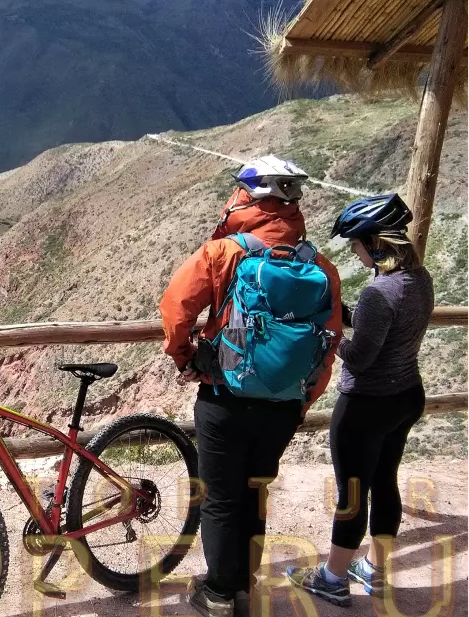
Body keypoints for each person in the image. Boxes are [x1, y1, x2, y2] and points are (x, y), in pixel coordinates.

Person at [160, 155, 343, 617]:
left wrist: (187, 360)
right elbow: (329, 342)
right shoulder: (319, 266)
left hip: (224, 398)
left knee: (221, 498)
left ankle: (219, 593)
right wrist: (302, 400)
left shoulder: (223, 253)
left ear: (246, 199)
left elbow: (175, 308)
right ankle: (244, 583)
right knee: (254, 491)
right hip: (282, 407)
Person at [287, 194, 433, 606]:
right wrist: (339, 311)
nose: (353, 251)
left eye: (355, 243)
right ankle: (373, 568)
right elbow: (383, 326)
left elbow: (361, 356)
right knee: (384, 482)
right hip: (406, 395)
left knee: (351, 493)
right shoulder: (419, 279)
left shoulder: (379, 292)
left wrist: (327, 336)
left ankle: (332, 578)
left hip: (366, 404)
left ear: (375, 242)